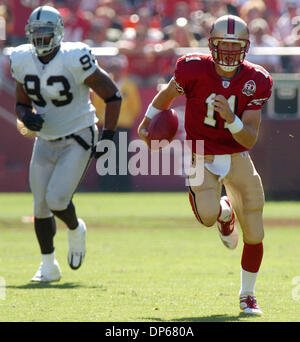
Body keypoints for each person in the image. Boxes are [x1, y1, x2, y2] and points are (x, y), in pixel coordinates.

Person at [138, 15, 273, 315]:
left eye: (234, 46)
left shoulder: (257, 80)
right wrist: (147, 121)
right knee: (208, 216)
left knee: (254, 231)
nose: (227, 52)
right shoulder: (192, 68)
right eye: (222, 45)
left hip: (238, 156)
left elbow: (249, 138)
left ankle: (247, 295)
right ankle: (225, 214)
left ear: (245, 48)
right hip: (202, 155)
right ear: (211, 45)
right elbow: (167, 95)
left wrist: (232, 119)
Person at [10, 5, 121, 282]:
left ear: (58, 33)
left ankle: (76, 227)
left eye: (46, 32)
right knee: (39, 206)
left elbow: (112, 95)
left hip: (78, 134)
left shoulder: (75, 56)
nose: (40, 38)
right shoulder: (22, 57)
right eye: (35, 33)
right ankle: (48, 266)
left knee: (57, 200)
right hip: (46, 139)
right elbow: (21, 103)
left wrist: (108, 136)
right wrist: (26, 116)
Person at [92, 55, 141, 191]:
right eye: (112, 68)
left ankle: (124, 187)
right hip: (107, 125)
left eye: (117, 68)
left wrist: (126, 119)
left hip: (123, 126)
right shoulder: (103, 85)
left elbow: (135, 106)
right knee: (105, 157)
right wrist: (104, 119)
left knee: (123, 157)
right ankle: (105, 186)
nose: (115, 72)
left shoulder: (129, 86)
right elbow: (97, 105)